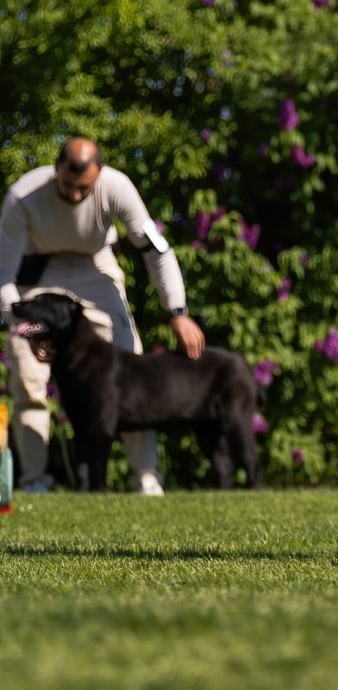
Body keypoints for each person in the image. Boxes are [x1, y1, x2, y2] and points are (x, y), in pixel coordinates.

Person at [0, 138, 205, 494]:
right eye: (68, 185)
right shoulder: (23, 195)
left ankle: (146, 479)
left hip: (96, 269)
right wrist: (20, 326)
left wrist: (177, 310)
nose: (76, 195)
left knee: (133, 365)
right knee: (27, 376)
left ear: (100, 174)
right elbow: (4, 273)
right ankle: (35, 481)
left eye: (85, 188)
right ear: (55, 169)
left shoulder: (117, 187)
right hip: (39, 276)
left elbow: (157, 250)